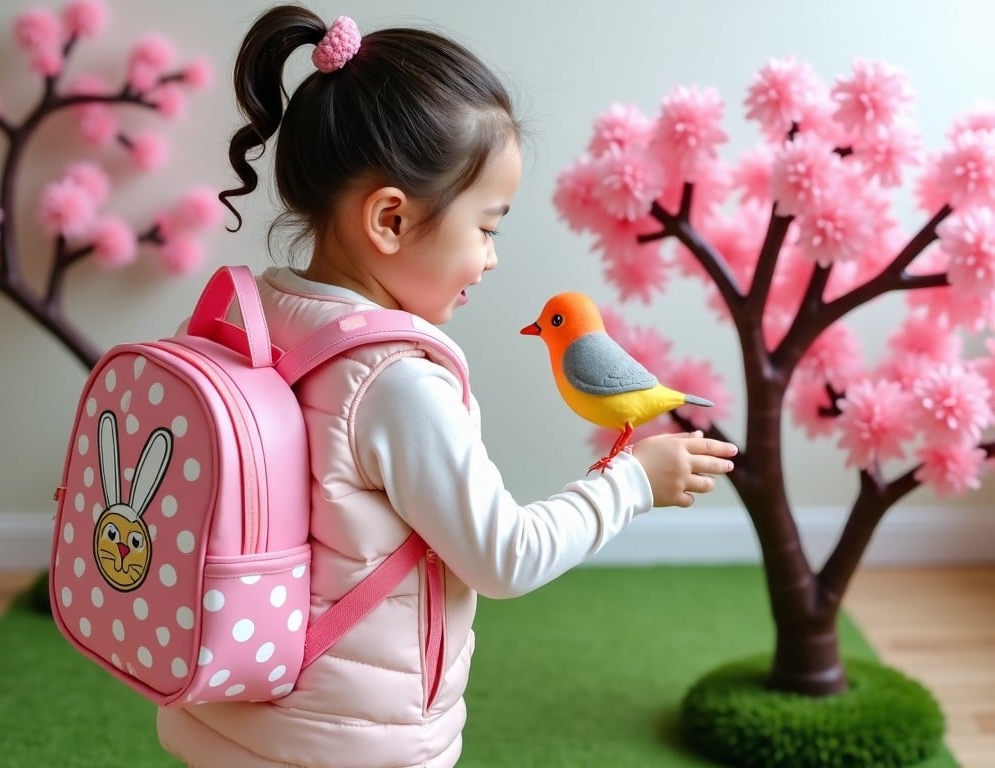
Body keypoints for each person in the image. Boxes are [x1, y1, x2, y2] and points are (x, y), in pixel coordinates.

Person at [156, 5, 738, 767]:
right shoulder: (397, 386)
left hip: (218, 712)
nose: (491, 259)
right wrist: (630, 484)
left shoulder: (254, 316)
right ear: (390, 220)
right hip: (351, 745)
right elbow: (505, 558)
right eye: (488, 227)